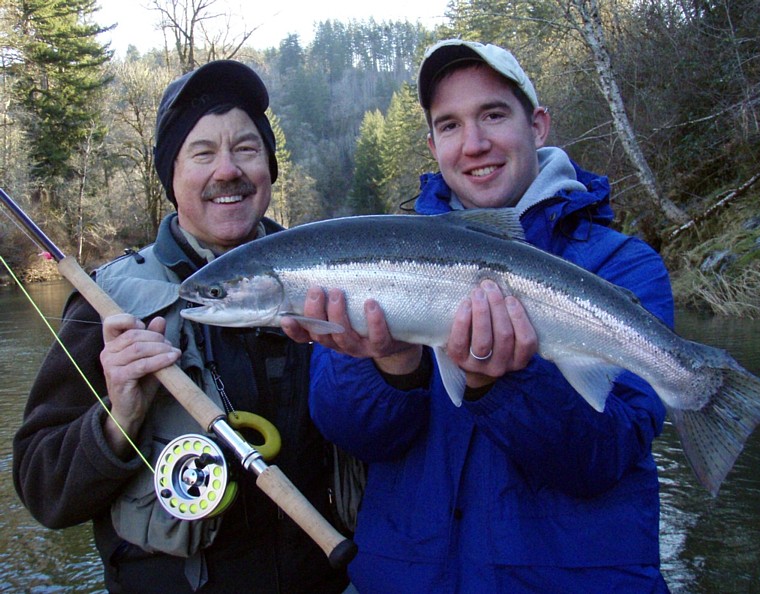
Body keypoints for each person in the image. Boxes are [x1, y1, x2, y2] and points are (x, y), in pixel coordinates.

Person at [282, 40, 674, 592]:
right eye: (449, 125)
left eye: (492, 114)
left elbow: (605, 457)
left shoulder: (621, 266)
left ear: (537, 126)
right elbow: (351, 434)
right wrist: (393, 363)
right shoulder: (376, 261)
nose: (474, 144)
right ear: (432, 144)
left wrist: (503, 385)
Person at [13, 60, 349, 594]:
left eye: (245, 148)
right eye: (202, 153)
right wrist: (117, 419)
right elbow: (42, 487)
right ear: (171, 177)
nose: (227, 170)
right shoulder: (109, 302)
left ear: (267, 166)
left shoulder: (335, 283)